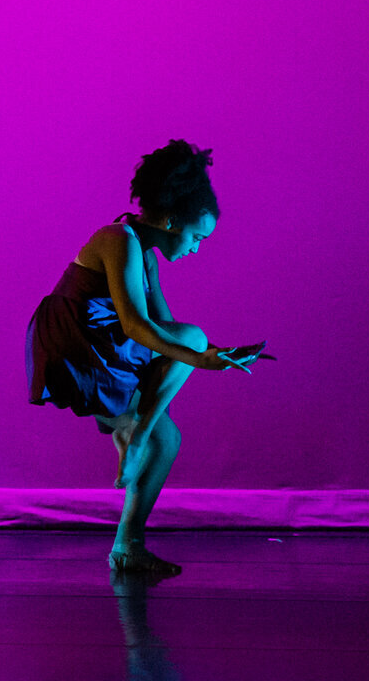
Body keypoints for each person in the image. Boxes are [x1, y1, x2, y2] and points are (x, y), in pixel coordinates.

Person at [26, 139, 269, 577]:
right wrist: (199, 354)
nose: (197, 248)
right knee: (190, 343)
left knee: (170, 438)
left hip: (107, 348)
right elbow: (139, 327)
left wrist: (217, 355)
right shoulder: (117, 239)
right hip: (75, 345)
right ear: (173, 220)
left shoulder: (147, 257)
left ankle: (128, 545)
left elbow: (165, 332)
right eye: (197, 237)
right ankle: (135, 436)